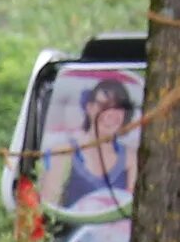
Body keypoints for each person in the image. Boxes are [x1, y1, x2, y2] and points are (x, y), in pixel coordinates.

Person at [57, 77, 137, 212]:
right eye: (104, 106)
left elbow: (132, 210)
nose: (111, 113)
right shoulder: (64, 152)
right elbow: (49, 207)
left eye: (118, 108)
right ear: (89, 107)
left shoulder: (130, 158)